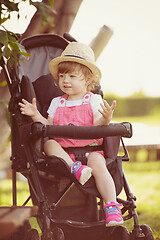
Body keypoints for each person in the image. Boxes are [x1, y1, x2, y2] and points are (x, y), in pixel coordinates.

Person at [19, 42, 123, 227]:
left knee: (100, 165)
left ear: (87, 80)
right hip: (64, 154)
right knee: (49, 144)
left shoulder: (93, 100)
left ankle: (111, 206)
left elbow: (98, 125)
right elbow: (48, 126)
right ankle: (74, 167)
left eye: (72, 76)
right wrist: (35, 114)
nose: (65, 80)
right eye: (61, 76)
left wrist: (105, 119)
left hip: (91, 150)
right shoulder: (56, 102)